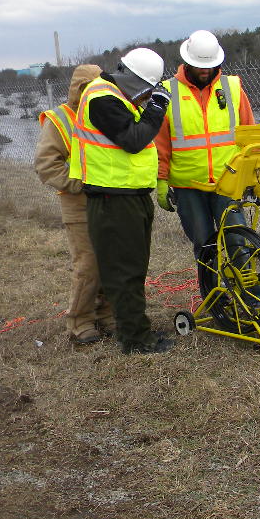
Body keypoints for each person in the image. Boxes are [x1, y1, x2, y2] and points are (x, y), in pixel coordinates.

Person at [68, 48, 174, 355]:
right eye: (144, 88)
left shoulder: (118, 97)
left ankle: (134, 328)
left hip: (130, 196)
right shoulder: (102, 98)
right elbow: (133, 139)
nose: (146, 94)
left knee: (133, 268)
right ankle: (137, 340)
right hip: (114, 200)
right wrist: (156, 110)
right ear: (129, 77)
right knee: (125, 272)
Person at [154, 30, 255, 259]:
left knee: (238, 241)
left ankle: (250, 294)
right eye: (199, 65)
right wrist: (161, 180)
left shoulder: (233, 88)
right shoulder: (167, 92)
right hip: (188, 186)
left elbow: (250, 135)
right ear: (187, 62)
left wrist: (253, 175)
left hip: (228, 181)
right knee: (204, 245)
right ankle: (214, 295)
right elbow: (160, 144)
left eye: (208, 65)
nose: (204, 70)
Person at [34, 63, 113, 346]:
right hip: (78, 204)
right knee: (89, 265)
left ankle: (107, 314)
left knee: (110, 260)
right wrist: (80, 184)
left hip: (110, 201)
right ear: (80, 89)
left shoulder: (107, 111)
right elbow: (46, 165)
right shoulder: (60, 119)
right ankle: (80, 322)